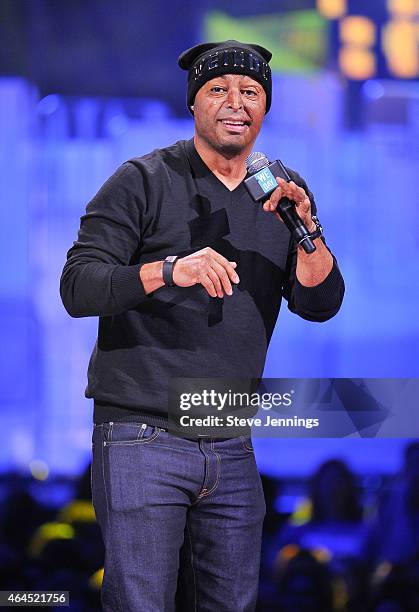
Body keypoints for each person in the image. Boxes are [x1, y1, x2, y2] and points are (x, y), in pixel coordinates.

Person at [60, 40, 345, 612]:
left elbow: (320, 303)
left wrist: (307, 230)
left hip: (232, 443)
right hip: (142, 436)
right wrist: (170, 269)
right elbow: (79, 285)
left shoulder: (282, 194)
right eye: (219, 90)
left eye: (251, 92)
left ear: (265, 109)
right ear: (194, 104)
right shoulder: (141, 179)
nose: (235, 103)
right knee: (141, 603)